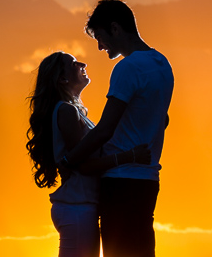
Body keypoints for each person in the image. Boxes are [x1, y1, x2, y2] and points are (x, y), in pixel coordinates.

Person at [62, 0, 174, 257]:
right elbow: (162, 119)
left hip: (120, 181)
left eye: (101, 37)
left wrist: (69, 160)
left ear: (115, 28)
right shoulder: (162, 64)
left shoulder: (127, 68)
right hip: (148, 180)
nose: (101, 46)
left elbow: (105, 130)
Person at [26, 51, 151, 257]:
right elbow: (83, 165)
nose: (82, 63)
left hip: (81, 208)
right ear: (63, 78)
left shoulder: (72, 110)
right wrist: (131, 156)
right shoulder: (66, 111)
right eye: (74, 63)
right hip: (76, 209)